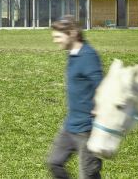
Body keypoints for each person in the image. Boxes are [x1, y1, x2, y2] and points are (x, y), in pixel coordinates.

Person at [47, 16, 103, 179]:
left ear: (71, 33)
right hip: (71, 125)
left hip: (88, 129)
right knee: (54, 162)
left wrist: (100, 107)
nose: (55, 41)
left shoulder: (88, 56)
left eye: (58, 37)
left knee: (88, 175)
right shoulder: (73, 54)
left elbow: (102, 86)